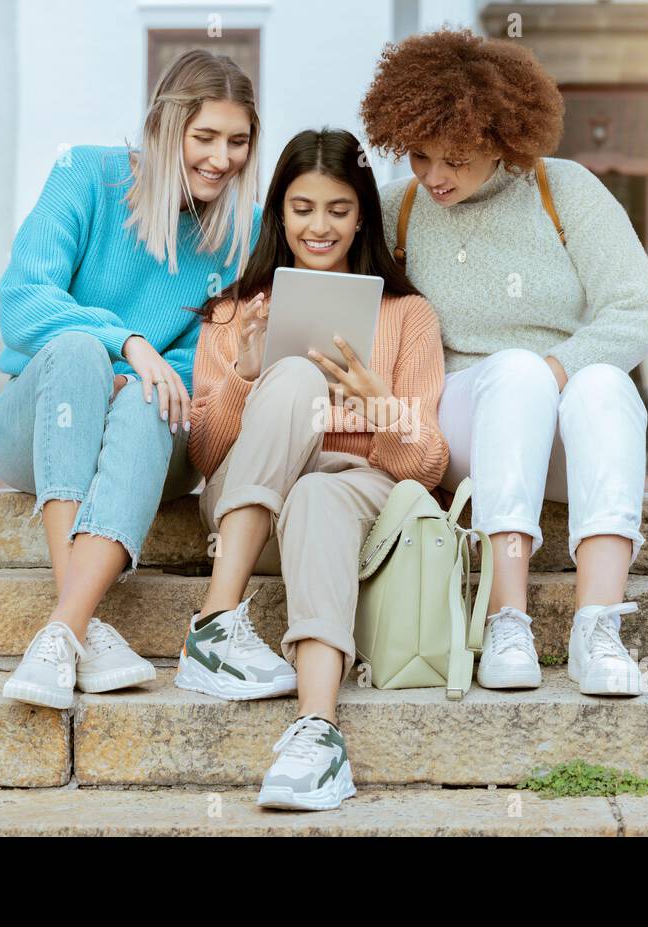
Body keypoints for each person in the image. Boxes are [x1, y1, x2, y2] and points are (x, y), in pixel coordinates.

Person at [361, 28, 648, 696]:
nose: (433, 175)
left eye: (455, 159)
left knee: (604, 383)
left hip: (559, 428)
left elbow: (637, 313)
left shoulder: (569, 191)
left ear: (500, 142)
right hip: (464, 417)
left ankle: (598, 627)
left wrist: (558, 371)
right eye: (419, 155)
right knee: (518, 373)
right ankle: (507, 620)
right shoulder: (397, 209)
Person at [0, 49, 261, 710]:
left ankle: (64, 631)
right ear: (165, 129)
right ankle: (78, 622)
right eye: (206, 137)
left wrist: (147, 373)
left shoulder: (241, 232)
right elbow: (24, 300)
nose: (223, 158)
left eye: (239, 141)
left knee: (149, 394)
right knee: (79, 350)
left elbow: (204, 366)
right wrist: (128, 343)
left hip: (153, 435)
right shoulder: (85, 175)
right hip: (40, 417)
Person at [183, 128, 449, 810]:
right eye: (302, 208)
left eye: (337, 208)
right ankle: (216, 623)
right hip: (247, 500)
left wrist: (380, 405)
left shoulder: (409, 315)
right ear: (280, 213)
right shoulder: (234, 311)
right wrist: (245, 372)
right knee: (295, 374)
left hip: (349, 491)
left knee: (320, 494)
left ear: (362, 214)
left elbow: (428, 462)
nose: (319, 226)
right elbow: (204, 456)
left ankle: (318, 732)